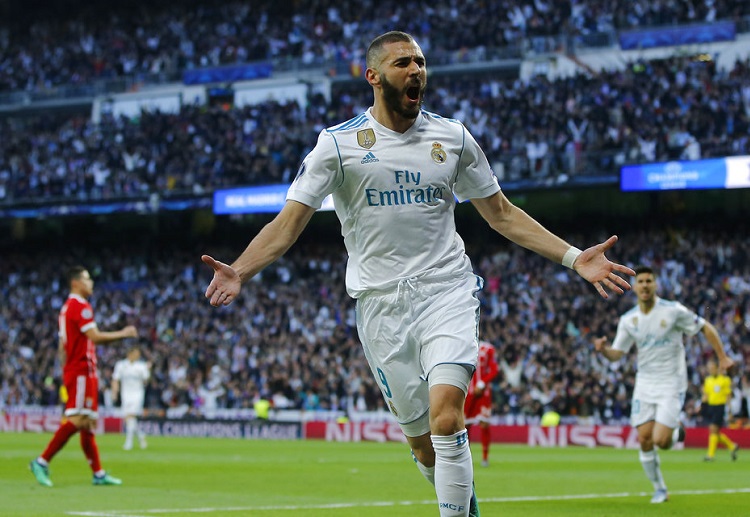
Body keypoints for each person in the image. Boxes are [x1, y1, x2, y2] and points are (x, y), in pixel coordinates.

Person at [202, 31, 634, 517]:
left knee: (447, 418)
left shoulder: (453, 137)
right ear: (373, 76)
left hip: (445, 290)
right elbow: (288, 224)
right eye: (403, 63)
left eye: (421, 62)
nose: (416, 71)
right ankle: (463, 504)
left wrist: (575, 257)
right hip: (380, 308)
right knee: (426, 446)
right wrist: (240, 269)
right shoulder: (338, 145)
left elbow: (502, 214)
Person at [594, 265, 735, 504]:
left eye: (649, 281)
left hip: (671, 382)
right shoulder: (629, 320)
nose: (645, 285)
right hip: (645, 383)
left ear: (656, 284)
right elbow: (618, 353)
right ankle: (660, 489)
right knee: (645, 439)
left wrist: (722, 357)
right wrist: (604, 350)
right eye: (641, 282)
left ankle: (676, 431)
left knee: (661, 440)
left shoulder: (673, 311)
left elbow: (705, 327)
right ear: (635, 287)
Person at [29, 266, 138, 487]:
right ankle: (42, 461)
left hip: (77, 370)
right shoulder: (80, 306)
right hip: (80, 370)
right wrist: (124, 334)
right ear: (76, 283)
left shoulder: (66, 308)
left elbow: (62, 345)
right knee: (78, 419)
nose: (91, 284)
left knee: (87, 422)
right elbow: (95, 337)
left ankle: (98, 474)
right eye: (87, 280)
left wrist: (65, 369)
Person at [464, 340, 499, 468]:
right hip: (467, 392)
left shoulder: (488, 349)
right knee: (464, 426)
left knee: (484, 424)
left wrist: (483, 382)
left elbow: (494, 370)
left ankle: (485, 458)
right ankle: (465, 459)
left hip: (482, 393)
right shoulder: (463, 344)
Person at [112, 346, 151, 450]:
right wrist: (114, 392)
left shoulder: (141, 366)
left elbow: (146, 380)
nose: (138, 355)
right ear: (129, 354)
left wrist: (148, 370)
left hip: (137, 394)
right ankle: (140, 435)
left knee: (131, 416)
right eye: (136, 353)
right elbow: (115, 379)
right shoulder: (121, 365)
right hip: (125, 394)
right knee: (128, 418)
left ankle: (128, 442)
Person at [701, 359, 739, 462]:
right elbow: (706, 395)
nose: (711, 370)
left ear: (717, 369)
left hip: (720, 407)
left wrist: (730, 411)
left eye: (712, 368)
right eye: (709, 369)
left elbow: (728, 396)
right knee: (715, 432)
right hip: (710, 407)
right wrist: (701, 406)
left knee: (713, 430)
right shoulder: (708, 380)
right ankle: (732, 446)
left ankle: (710, 455)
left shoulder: (725, 380)